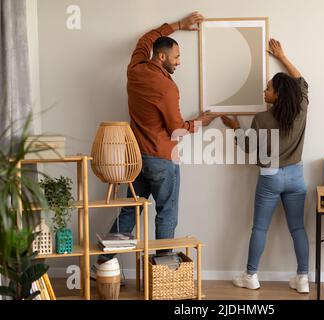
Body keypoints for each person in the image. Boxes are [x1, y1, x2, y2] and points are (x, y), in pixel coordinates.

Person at [95, 12, 217, 270]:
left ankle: (103, 263)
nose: (179, 62)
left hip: (136, 159)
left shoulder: (135, 68)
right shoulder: (167, 88)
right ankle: (163, 271)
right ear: (162, 57)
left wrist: (178, 26)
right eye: (176, 57)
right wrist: (199, 123)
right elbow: (176, 129)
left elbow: (146, 38)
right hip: (161, 159)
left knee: (130, 209)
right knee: (166, 213)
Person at [221, 39, 310, 293]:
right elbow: (301, 82)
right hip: (296, 176)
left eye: (268, 88)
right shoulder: (301, 108)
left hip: (270, 176)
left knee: (260, 227)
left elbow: (249, 148)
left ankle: (251, 276)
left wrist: (236, 128)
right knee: (298, 228)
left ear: (278, 94)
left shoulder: (262, 118)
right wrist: (282, 56)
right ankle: (302, 279)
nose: (264, 90)